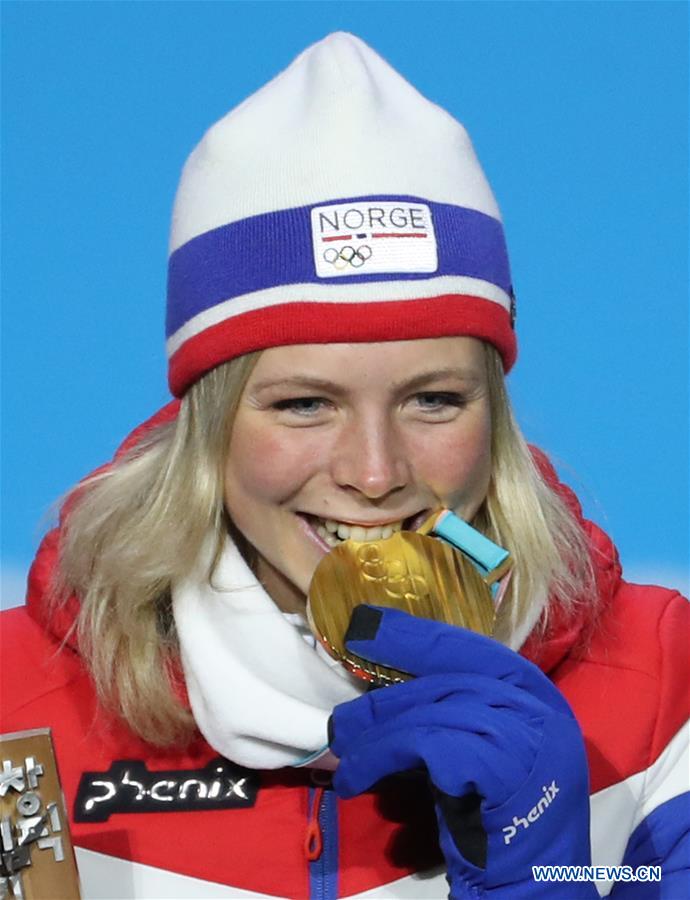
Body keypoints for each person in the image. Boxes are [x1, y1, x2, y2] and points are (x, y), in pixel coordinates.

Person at [1, 32, 688, 900]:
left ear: (497, 415)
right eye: (304, 404)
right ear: (205, 424)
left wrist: (546, 872)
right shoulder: (13, 706)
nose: (374, 472)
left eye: (433, 400)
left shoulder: (667, 688)